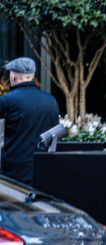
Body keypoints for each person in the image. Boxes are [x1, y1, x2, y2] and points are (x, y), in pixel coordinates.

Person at [0, 57, 59, 185]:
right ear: (32, 75)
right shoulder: (51, 101)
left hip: (13, 174)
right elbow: (54, 137)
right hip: (43, 171)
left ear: (12, 77)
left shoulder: (6, 101)